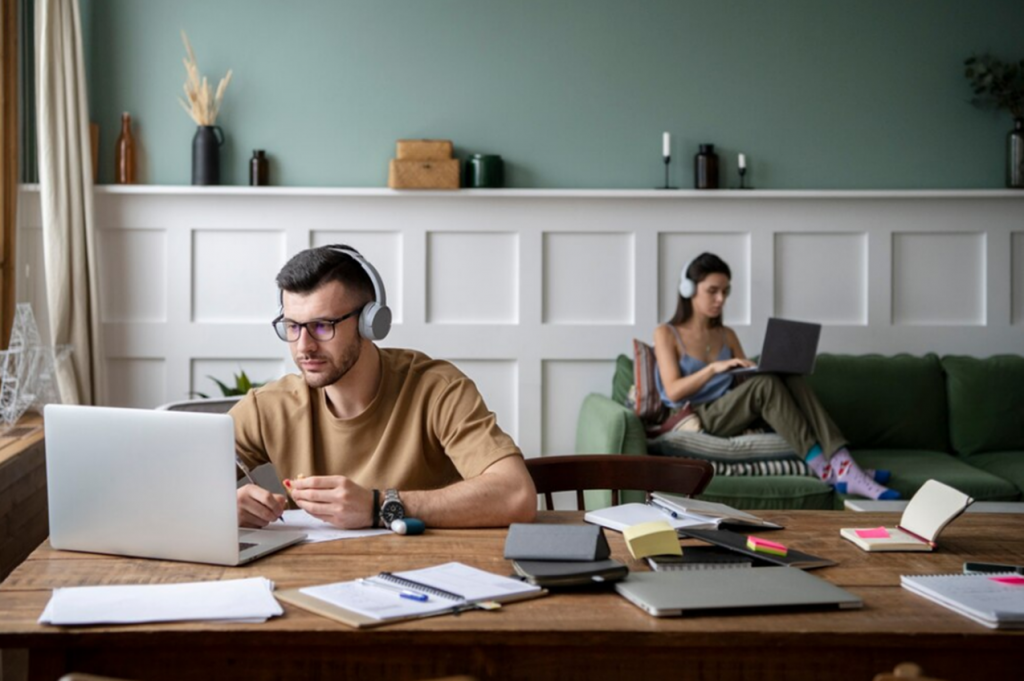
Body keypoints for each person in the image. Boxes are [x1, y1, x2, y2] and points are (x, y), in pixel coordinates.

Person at [231, 244, 538, 529]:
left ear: (370, 323)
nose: (304, 347)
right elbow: (184, 478)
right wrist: (224, 507)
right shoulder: (269, 406)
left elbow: (516, 495)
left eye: (322, 326)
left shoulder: (437, 389)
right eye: (293, 326)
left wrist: (379, 505)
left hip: (427, 572)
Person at [652, 252, 899, 500]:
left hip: (733, 409)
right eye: (712, 291)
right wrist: (713, 368)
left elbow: (748, 382)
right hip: (697, 415)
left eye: (725, 292)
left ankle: (842, 463)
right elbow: (673, 390)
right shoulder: (667, 333)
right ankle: (828, 470)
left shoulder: (726, 334)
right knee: (766, 385)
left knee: (788, 377)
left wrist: (765, 368)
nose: (720, 299)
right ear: (689, 289)